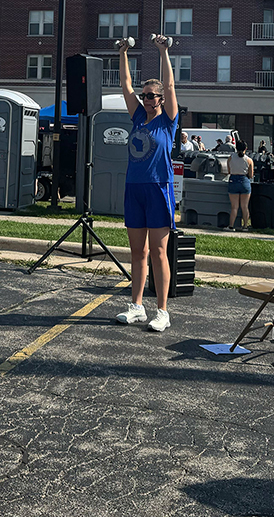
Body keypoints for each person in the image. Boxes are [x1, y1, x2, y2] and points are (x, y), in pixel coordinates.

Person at [114, 34, 178, 332]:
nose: (146, 99)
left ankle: (162, 311)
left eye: (152, 95)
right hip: (134, 188)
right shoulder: (138, 116)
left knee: (159, 252)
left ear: (161, 99)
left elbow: (170, 84)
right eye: (145, 95)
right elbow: (125, 86)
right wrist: (123, 53)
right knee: (138, 252)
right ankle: (137, 306)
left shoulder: (168, 121)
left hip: (158, 187)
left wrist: (163, 52)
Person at [226, 140, 254, 231]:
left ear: (236, 148)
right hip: (244, 181)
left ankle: (231, 226)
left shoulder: (230, 158)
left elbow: (229, 171)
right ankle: (245, 226)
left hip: (233, 181)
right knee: (244, 206)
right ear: (246, 148)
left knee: (234, 207)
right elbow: (251, 175)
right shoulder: (249, 160)